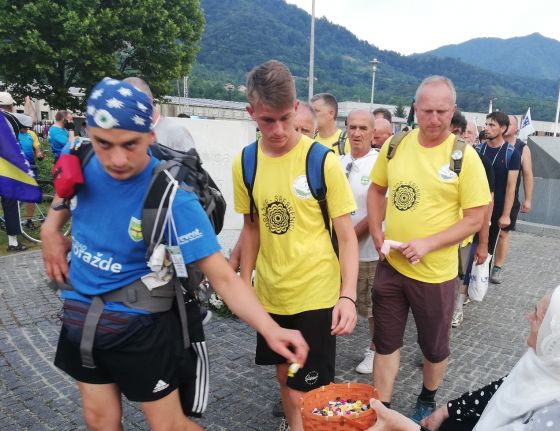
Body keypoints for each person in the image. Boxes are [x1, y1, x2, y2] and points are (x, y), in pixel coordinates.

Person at [41, 78, 308, 431]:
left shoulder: (173, 199)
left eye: (130, 145)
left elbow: (223, 276)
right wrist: (50, 230)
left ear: (151, 136)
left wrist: (271, 329)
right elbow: (64, 192)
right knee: (98, 420)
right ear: (89, 132)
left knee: (169, 427)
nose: (117, 158)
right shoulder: (81, 156)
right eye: (104, 143)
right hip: (82, 316)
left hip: (140, 329)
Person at [231, 60, 358, 431]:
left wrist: (347, 296)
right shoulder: (246, 161)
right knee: (286, 380)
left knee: (313, 393)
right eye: (267, 120)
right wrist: (243, 283)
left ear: (297, 106)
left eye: (286, 118)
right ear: (251, 112)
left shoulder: (322, 161)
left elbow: (347, 237)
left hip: (316, 296)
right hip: (271, 295)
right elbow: (251, 227)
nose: (278, 129)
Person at [368, 279, 560, 431]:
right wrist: (448, 409)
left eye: (540, 316)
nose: (529, 317)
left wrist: (404, 427)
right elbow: (505, 386)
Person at [367, 76, 490, 422]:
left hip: (435, 274)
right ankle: (383, 410)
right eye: (427, 110)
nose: (434, 119)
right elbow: (377, 190)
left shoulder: (464, 158)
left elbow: (475, 218)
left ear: (452, 111)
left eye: (441, 111)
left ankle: (427, 395)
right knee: (386, 342)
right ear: (415, 109)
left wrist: (428, 244)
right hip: (391, 265)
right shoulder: (396, 144)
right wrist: (376, 230)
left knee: (434, 347)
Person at [340, 109, 379, 375]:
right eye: (352, 127)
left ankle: (374, 351)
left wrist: (350, 237)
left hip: (367, 251)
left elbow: (379, 207)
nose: (357, 133)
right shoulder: (336, 161)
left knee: (373, 307)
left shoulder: (379, 164)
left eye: (363, 128)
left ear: (373, 132)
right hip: (339, 250)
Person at [448, 112, 494, 328]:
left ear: (475, 138)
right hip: (435, 232)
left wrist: (483, 243)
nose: (460, 136)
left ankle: (455, 310)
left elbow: (485, 205)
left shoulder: (480, 161)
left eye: (465, 133)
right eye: (458, 132)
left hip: (463, 234)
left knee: (457, 276)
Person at [490, 115, 534, 284]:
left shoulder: (522, 149)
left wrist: (528, 199)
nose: (506, 126)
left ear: (515, 128)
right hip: (491, 197)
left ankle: (497, 267)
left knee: (503, 234)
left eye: (510, 124)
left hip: (509, 199)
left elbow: (528, 174)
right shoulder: (490, 145)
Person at [478, 112, 520, 279]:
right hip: (477, 206)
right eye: (486, 124)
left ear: (503, 128)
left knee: (487, 248)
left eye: (492, 125)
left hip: (498, 208)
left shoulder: (512, 153)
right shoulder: (478, 149)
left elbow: (511, 187)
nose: (486, 128)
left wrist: (506, 215)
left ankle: (480, 283)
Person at [123, 77, 196, 152]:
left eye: (132, 102)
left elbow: (189, 162)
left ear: (148, 100)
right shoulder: (128, 131)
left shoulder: (176, 133)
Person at [1, 93, 28, 252]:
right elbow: (32, 118)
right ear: (10, 105)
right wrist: (27, 102)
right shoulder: (13, 117)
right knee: (10, 203)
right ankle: (13, 242)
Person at [17, 114, 44, 224]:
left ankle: (29, 220)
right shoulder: (14, 134)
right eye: (25, 127)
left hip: (31, 166)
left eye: (28, 127)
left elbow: (37, 149)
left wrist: (39, 154)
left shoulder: (31, 134)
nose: (27, 129)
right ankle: (11, 218)